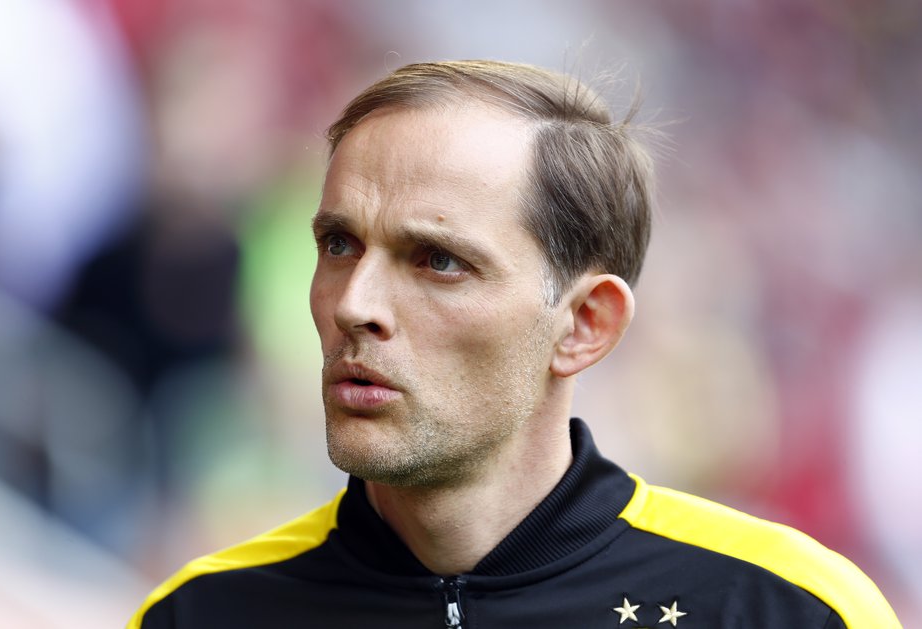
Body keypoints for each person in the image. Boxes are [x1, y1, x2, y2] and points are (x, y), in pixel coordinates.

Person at [128, 60, 900, 628]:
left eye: (438, 261)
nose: (355, 304)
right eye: (339, 245)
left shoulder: (787, 607)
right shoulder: (199, 613)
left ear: (585, 324)